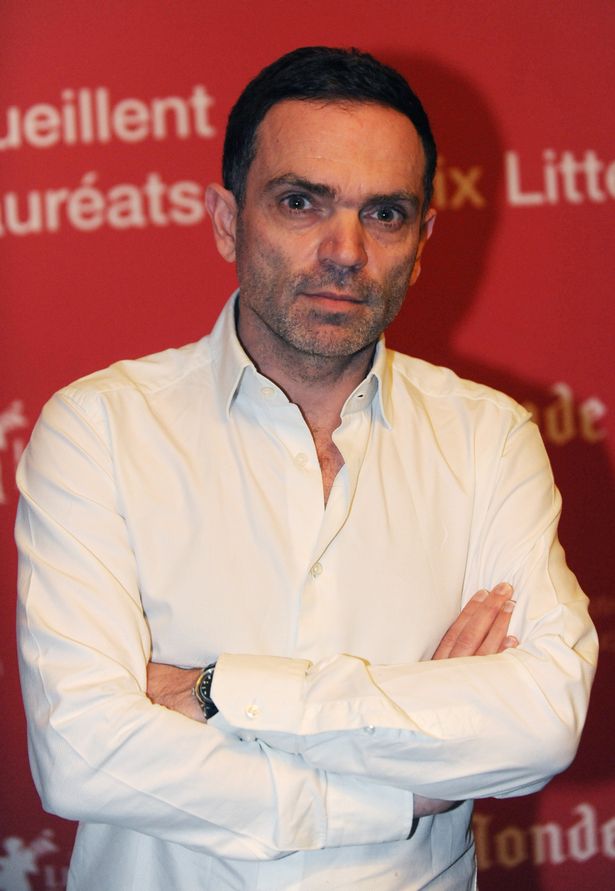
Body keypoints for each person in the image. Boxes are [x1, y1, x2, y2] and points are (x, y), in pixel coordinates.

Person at [16, 46, 596, 891]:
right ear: (227, 220)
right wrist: (396, 787)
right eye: (300, 202)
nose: (345, 250)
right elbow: (82, 756)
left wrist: (220, 691)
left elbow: (539, 721)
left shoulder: (487, 437)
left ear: (422, 243)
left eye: (385, 214)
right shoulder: (101, 429)